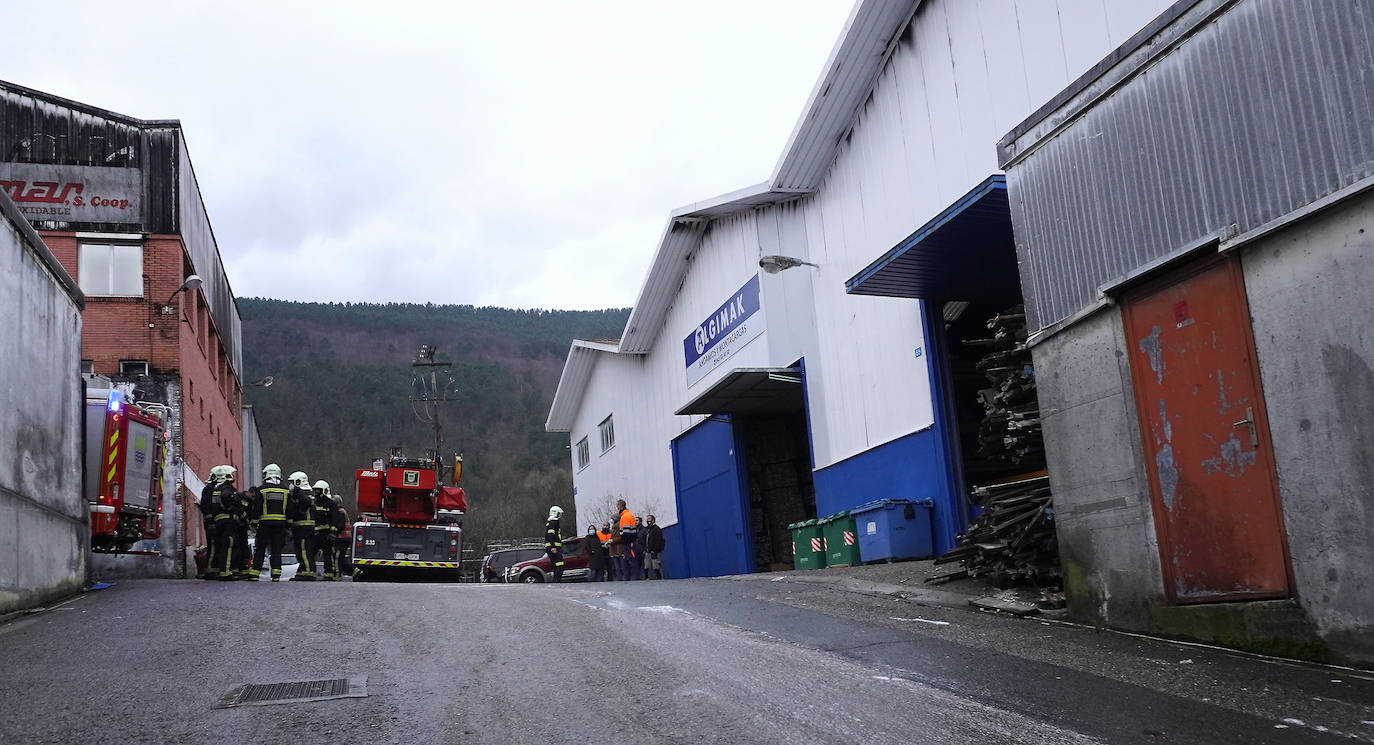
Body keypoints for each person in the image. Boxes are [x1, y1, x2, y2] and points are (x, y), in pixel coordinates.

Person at [249, 464, 290, 581]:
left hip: (265, 525)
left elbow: (257, 507)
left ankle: (255, 574)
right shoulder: (286, 490)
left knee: (260, 549)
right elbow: (289, 509)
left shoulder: (261, 489)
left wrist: (254, 522)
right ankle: (276, 575)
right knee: (276, 550)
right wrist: (288, 524)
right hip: (280, 525)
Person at [209, 466, 246, 581]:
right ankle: (225, 572)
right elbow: (227, 498)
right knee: (228, 545)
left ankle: (223, 570)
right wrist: (233, 508)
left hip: (219, 522)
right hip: (228, 522)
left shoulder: (215, 490)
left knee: (221, 546)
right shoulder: (227, 489)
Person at [286, 471, 316, 581]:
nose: (290, 485)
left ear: (298, 482)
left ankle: (308, 572)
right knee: (303, 550)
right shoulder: (307, 492)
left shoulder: (301, 493)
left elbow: (305, 502)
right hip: (304, 527)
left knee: (304, 550)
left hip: (303, 527)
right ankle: (304, 570)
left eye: (292, 482)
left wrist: (300, 511)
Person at [199, 466, 226, 579]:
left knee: (217, 545)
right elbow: (205, 506)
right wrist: (210, 521)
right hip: (211, 523)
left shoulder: (214, 489)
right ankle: (210, 570)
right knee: (213, 545)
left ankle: (215, 568)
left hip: (216, 522)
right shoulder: (208, 489)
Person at [310, 481, 341, 581]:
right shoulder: (313, 503)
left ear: (324, 491)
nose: (316, 492)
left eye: (318, 490)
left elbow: (335, 520)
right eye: (315, 490)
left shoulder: (331, 504)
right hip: (315, 534)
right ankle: (311, 572)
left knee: (327, 555)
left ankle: (329, 574)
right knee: (310, 554)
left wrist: (332, 533)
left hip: (326, 535)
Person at [615, 499, 639, 580]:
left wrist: (624, 541)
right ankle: (629, 577)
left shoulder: (625, 517)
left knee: (631, 559)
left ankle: (635, 577)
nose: (617, 507)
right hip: (629, 541)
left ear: (620, 506)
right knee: (627, 560)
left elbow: (626, 532)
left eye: (617, 505)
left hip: (629, 542)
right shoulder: (627, 515)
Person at [544, 506, 565, 583]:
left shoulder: (551, 522)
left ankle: (556, 581)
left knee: (556, 566)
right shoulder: (553, 522)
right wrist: (553, 547)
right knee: (560, 565)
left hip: (553, 547)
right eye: (559, 514)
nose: (560, 516)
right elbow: (550, 535)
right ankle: (556, 582)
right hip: (553, 548)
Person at [643, 514, 666, 580]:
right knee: (646, 566)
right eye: (647, 519)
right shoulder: (647, 529)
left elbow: (659, 540)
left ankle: (659, 578)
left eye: (649, 519)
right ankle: (647, 578)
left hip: (654, 551)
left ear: (653, 520)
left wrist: (655, 550)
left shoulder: (656, 529)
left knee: (656, 566)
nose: (648, 520)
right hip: (647, 551)